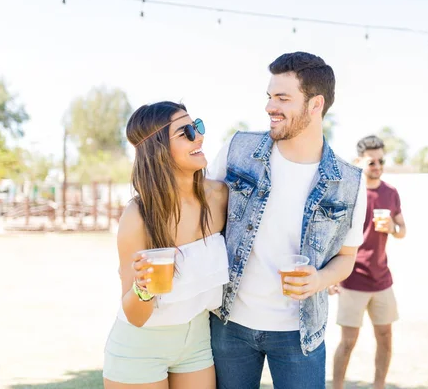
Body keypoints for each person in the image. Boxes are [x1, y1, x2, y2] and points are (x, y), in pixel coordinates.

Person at [207, 51, 367, 389]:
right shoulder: (238, 149)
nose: (269, 107)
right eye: (269, 97)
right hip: (229, 324)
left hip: (300, 334)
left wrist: (320, 280)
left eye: (282, 98)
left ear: (315, 104)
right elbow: (197, 210)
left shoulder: (350, 182)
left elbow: (347, 258)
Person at [103, 102, 229, 388]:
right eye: (185, 132)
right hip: (140, 347)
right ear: (158, 149)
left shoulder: (220, 196)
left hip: (196, 341)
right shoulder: (138, 216)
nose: (199, 136)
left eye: (196, 126)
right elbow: (135, 316)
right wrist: (142, 288)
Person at [329, 135, 406, 389]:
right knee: (348, 341)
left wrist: (393, 227)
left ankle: (379, 386)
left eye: (381, 161)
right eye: (372, 162)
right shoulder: (350, 193)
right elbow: (333, 235)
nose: (377, 166)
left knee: (385, 337)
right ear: (359, 161)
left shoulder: (391, 193)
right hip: (352, 278)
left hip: (382, 279)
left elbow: (402, 229)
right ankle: (337, 386)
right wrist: (331, 275)